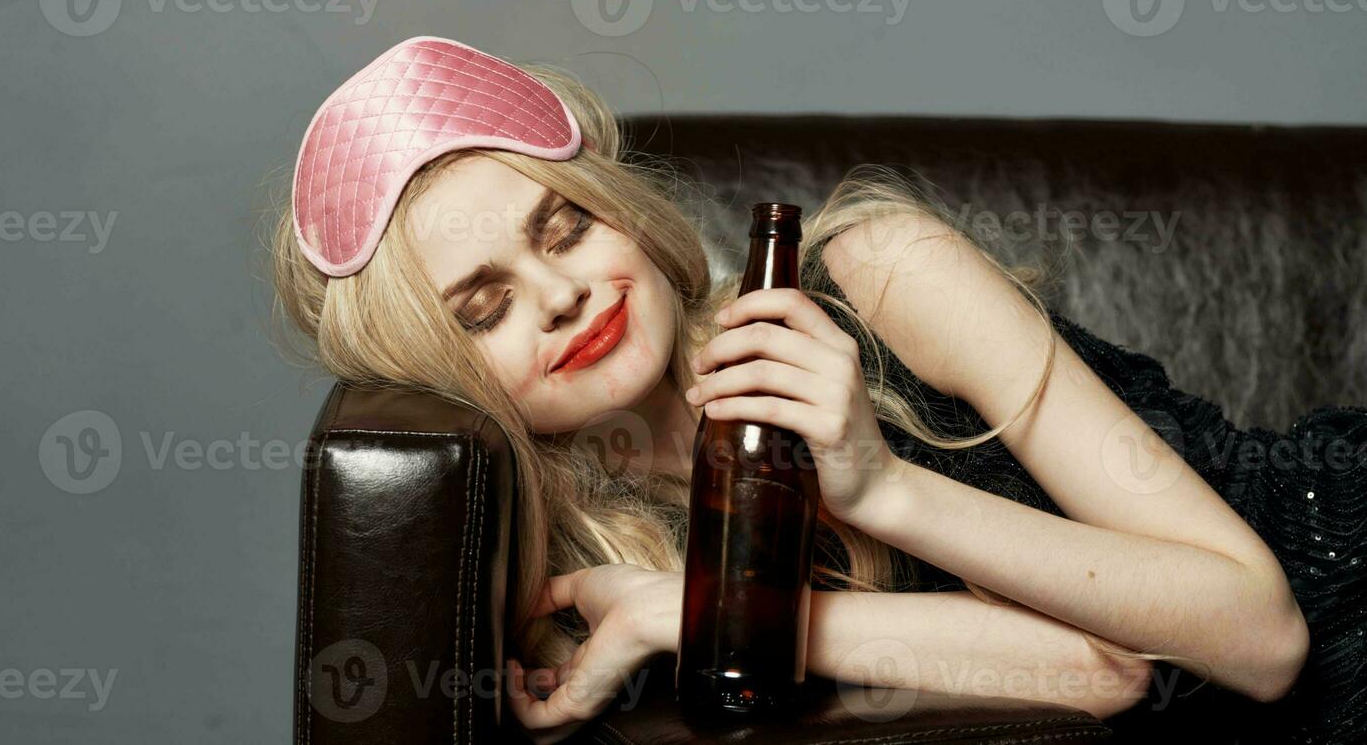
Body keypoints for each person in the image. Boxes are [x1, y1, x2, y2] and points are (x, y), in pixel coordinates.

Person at [266, 36, 1363, 745]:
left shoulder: (880, 274)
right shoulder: (566, 567)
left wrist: (878, 486)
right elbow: (1102, 669)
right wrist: (683, 610)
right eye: (484, 306)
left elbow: (1258, 635)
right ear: (449, 370)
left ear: (627, 217)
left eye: (566, 227)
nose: (557, 293)